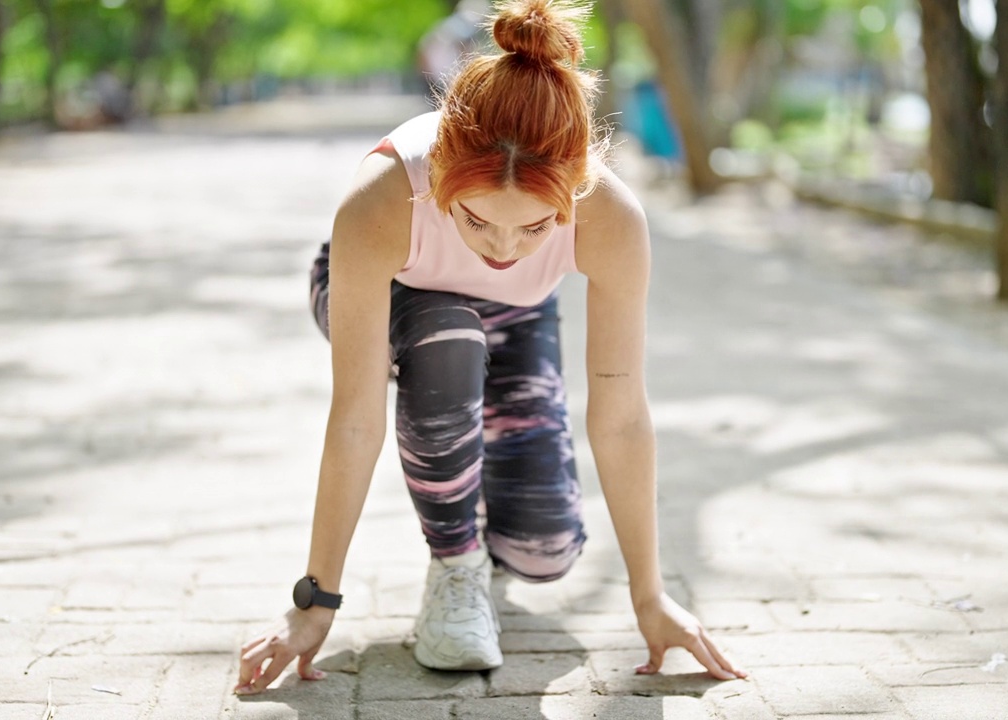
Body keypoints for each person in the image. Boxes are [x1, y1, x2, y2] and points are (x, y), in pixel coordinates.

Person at [234, 0, 747, 695]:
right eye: (475, 220)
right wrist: (314, 603)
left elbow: (622, 415)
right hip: (394, 295)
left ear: (576, 189)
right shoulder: (384, 195)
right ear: (442, 170)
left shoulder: (611, 218)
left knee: (543, 553)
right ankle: (455, 564)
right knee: (447, 338)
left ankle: (486, 535)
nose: (503, 250)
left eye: (536, 230)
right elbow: (356, 416)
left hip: (516, 317)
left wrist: (649, 597)